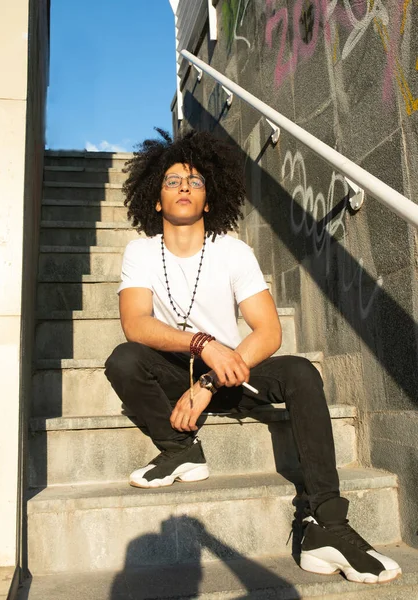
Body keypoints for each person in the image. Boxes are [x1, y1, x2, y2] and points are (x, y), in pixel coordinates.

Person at [104, 129, 401, 584]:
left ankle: (328, 525)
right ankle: (181, 448)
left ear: (208, 200)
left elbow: (269, 331)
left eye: (195, 181)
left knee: (300, 372)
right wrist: (203, 345)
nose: (184, 187)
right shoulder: (141, 252)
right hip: (174, 372)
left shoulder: (233, 251)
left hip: (231, 375)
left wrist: (208, 382)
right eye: (172, 181)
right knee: (124, 359)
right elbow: (136, 324)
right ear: (156, 200)